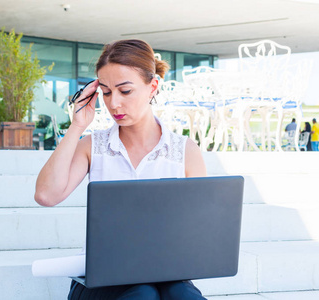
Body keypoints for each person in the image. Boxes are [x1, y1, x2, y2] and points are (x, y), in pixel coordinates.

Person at [35, 39, 207, 300]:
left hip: (165, 273)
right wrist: (78, 125)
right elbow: (47, 195)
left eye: (125, 91)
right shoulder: (93, 146)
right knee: (143, 295)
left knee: (183, 295)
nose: (113, 103)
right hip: (100, 279)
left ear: (153, 87)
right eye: (105, 92)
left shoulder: (185, 151)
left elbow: (199, 231)